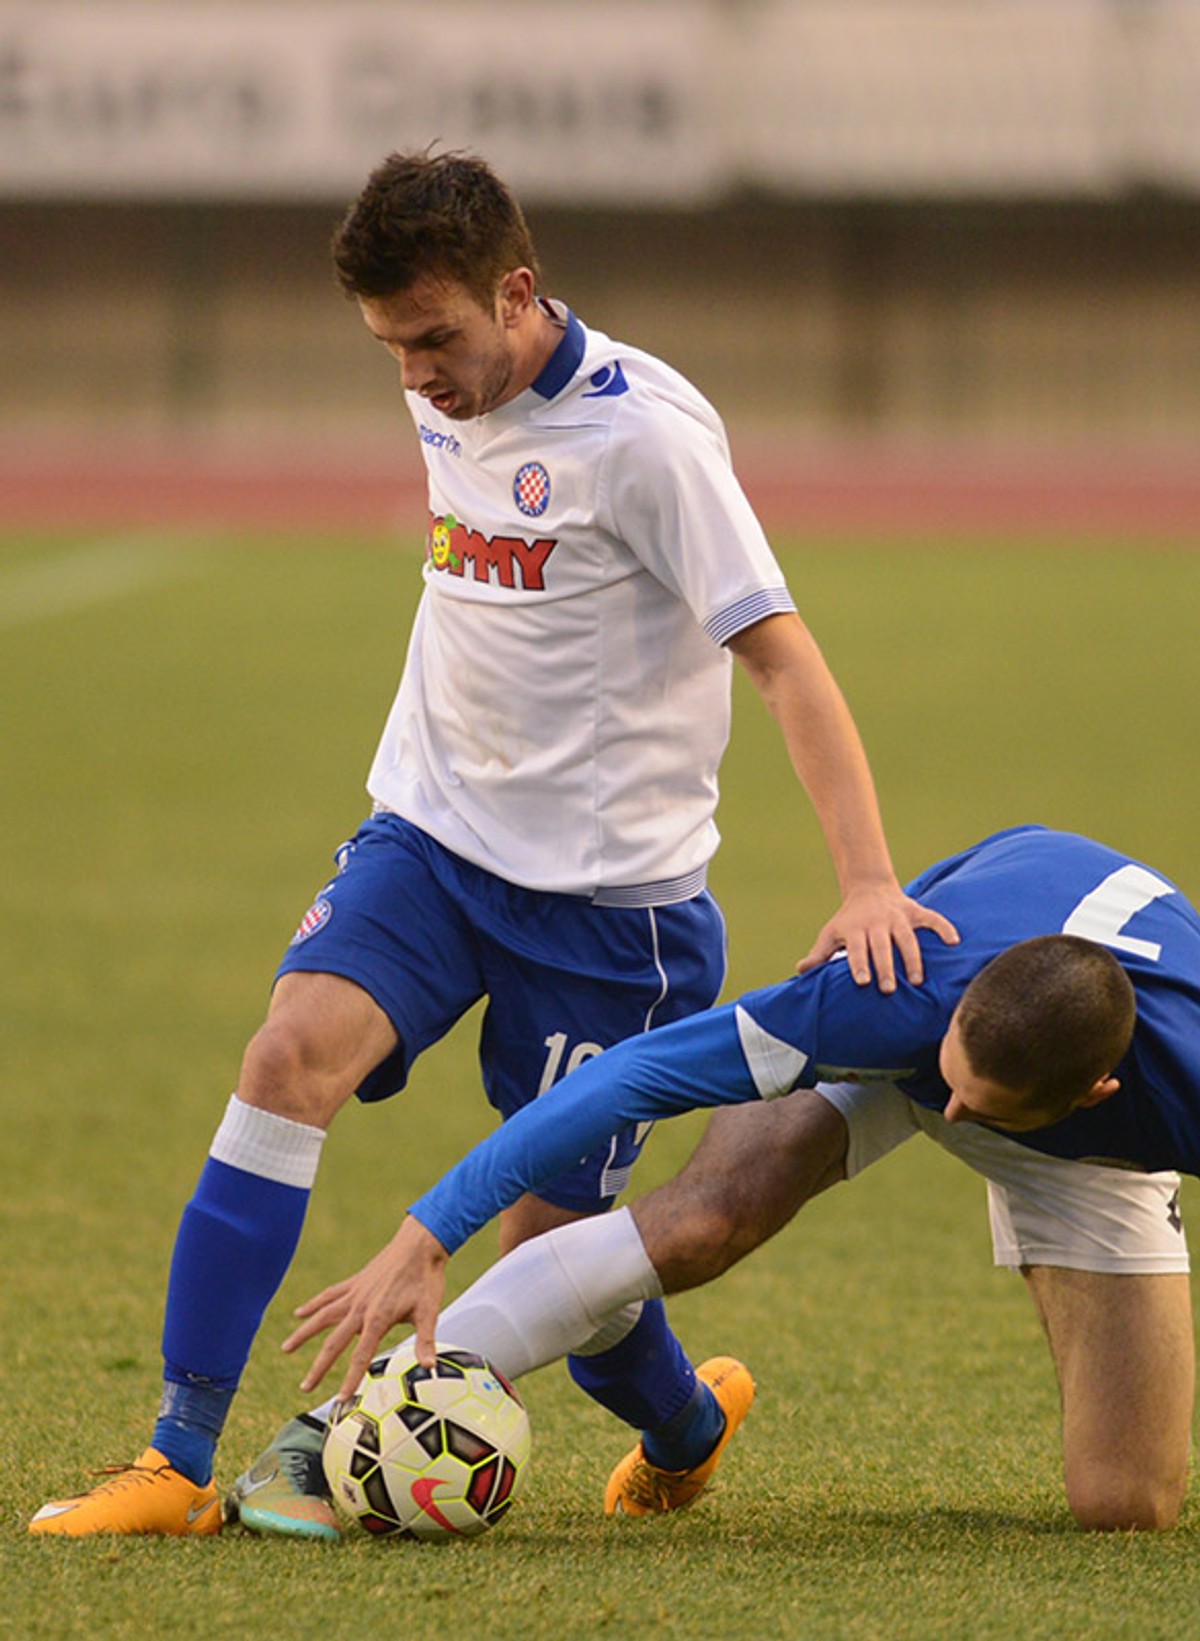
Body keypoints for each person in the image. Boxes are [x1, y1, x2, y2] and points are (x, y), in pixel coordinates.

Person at [29, 150, 953, 1540]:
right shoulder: (445, 386)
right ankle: (175, 1461)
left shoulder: (649, 443)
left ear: (517, 294)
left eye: (435, 339)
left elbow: (783, 662)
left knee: (554, 1271)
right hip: (433, 839)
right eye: (390, 350)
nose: (416, 377)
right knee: (285, 1059)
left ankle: (686, 1426)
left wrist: (869, 880)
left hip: (612, 917)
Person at [278, 825, 1200, 1531]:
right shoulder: (899, 995)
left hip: (1090, 1137)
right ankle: (327, 1432)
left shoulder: (1177, 1088)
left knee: (1125, 1505)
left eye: (974, 1105)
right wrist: (432, 1226)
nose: (949, 1114)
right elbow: (628, 1077)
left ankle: (1066, 1162)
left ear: (1097, 1092)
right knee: (706, 1218)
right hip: (909, 1031)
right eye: (949, 1083)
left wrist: (981, 1095)